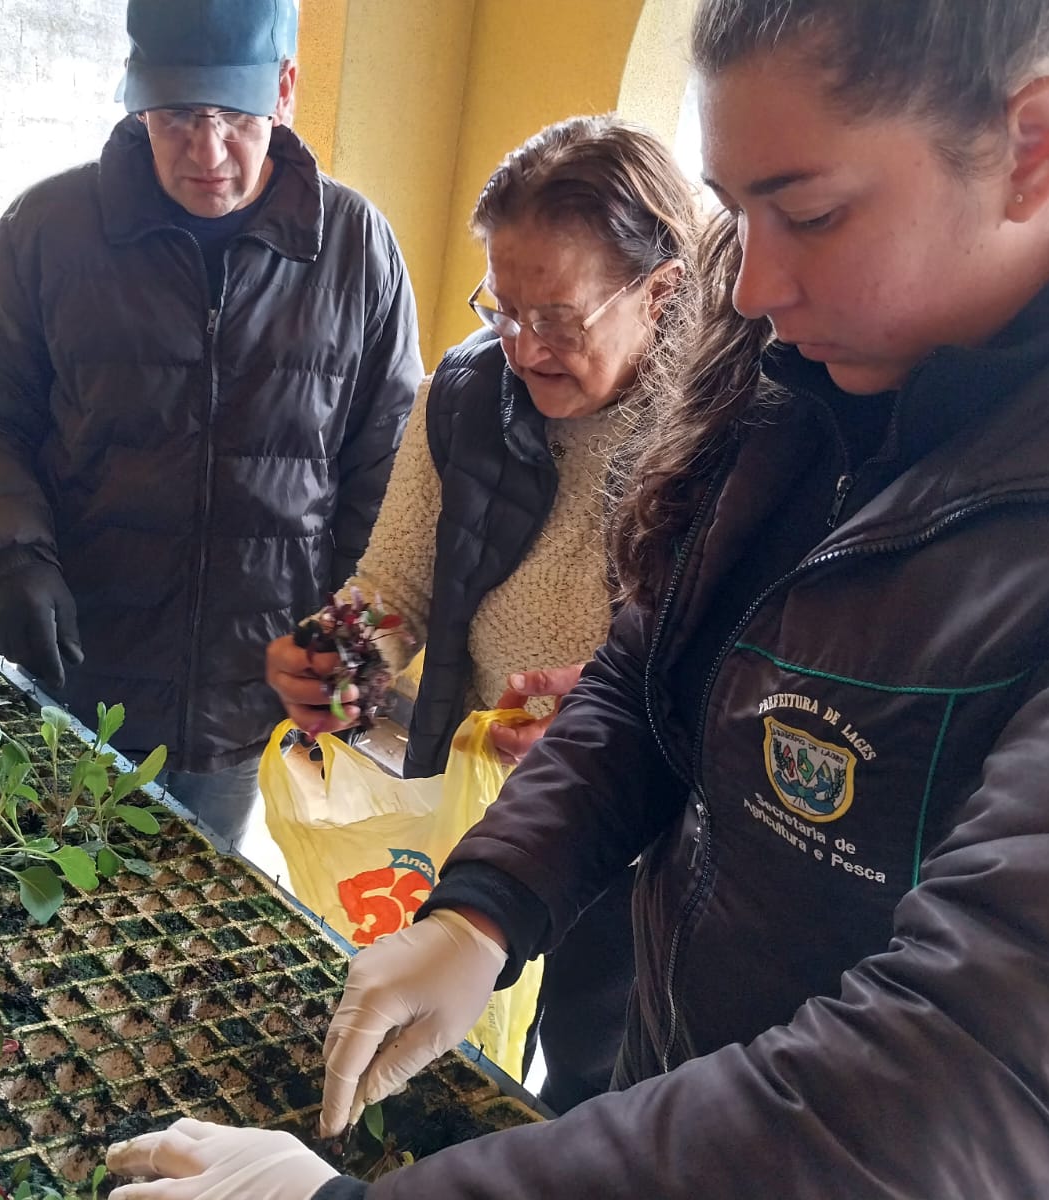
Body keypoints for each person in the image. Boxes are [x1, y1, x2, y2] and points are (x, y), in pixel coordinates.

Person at [106, 0, 1049, 1195]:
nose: (751, 289)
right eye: (734, 212)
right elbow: (650, 674)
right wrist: (485, 909)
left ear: (1034, 148)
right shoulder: (790, 374)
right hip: (674, 1054)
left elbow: (977, 1085)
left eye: (809, 213)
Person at [262, 114, 696, 1112]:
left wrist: (610, 722)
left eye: (558, 319)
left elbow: (730, 666)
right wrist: (339, 655)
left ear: (661, 291)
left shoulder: (720, 432)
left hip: (642, 840)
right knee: (463, 1036)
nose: (522, 346)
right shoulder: (463, 396)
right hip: (486, 803)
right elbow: (399, 584)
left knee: (596, 1072)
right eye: (501, 308)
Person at [0, 0, 422, 849]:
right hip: (78, 665)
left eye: (235, 117)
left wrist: (349, 639)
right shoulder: (47, 229)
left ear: (285, 90)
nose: (207, 152)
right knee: (41, 881)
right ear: (135, 99)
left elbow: (389, 469)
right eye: (178, 116)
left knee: (192, 891)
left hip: (245, 693)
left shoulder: (357, 249)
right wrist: (8, 556)